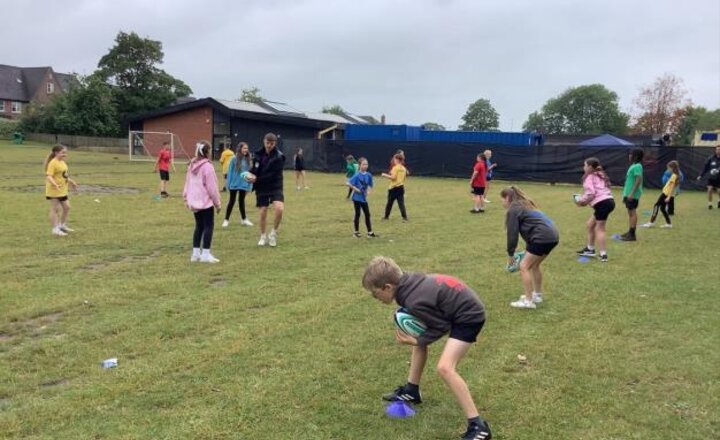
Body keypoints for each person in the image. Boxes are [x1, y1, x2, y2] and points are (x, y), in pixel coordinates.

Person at [362, 256, 491, 440]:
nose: (375, 297)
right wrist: (419, 340)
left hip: (468, 316)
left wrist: (417, 340)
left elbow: (441, 326)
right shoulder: (409, 285)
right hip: (460, 308)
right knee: (420, 342)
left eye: (375, 293)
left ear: (388, 287)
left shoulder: (414, 300)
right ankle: (411, 391)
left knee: (445, 368)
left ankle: (479, 427)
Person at [501, 186, 559, 309]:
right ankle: (537, 295)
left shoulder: (513, 209)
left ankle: (528, 301)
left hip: (542, 237)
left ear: (507, 198)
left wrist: (510, 254)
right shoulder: (526, 205)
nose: (502, 202)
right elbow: (532, 228)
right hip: (552, 236)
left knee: (524, 266)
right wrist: (527, 249)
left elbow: (512, 234)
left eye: (502, 199)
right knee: (535, 265)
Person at [183, 141, 222, 263]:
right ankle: (205, 253)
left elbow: (187, 183)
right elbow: (212, 188)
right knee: (208, 226)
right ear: (206, 152)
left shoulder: (191, 165)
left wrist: (186, 197)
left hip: (194, 201)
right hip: (205, 202)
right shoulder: (207, 167)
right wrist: (217, 203)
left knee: (199, 226)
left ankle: (195, 254)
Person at [575, 157, 615, 263]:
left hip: (603, 203)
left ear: (589, 167)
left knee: (600, 229)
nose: (583, 167)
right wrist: (583, 199)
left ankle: (603, 254)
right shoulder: (601, 175)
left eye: (585, 165)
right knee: (590, 224)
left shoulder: (589, 177)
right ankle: (590, 249)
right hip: (609, 201)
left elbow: (591, 194)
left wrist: (582, 202)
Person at [252, 132, 285, 247]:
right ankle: (263, 235)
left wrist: (256, 179)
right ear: (264, 142)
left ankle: (273, 233)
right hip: (262, 187)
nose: (269, 145)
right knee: (263, 212)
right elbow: (254, 170)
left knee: (279, 209)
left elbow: (272, 175)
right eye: (267, 143)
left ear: (275, 143)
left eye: (272, 143)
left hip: (275, 185)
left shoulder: (279, 157)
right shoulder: (257, 154)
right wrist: (249, 176)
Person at [44, 144, 77, 236]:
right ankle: (55, 229)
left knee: (67, 207)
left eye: (65, 152)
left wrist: (71, 182)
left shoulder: (62, 162)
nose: (65, 154)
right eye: (63, 153)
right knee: (55, 209)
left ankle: (62, 225)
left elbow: (64, 175)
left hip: (62, 189)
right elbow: (49, 176)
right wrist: (55, 184)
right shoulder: (53, 163)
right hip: (54, 190)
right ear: (56, 153)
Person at [222, 142, 254, 228]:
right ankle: (226, 220)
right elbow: (230, 172)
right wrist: (228, 184)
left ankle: (244, 220)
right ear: (240, 149)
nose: (246, 150)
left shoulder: (248, 159)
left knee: (241, 202)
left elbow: (249, 174)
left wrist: (250, 186)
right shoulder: (234, 159)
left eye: (247, 148)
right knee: (231, 201)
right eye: (244, 148)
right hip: (234, 184)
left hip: (243, 185)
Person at [641, 160, 681, 229]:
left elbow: (672, 187)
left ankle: (651, 222)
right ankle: (669, 224)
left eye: (668, 168)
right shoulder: (675, 175)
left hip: (665, 194)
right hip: (665, 193)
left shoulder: (674, 176)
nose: (668, 170)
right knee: (662, 208)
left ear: (672, 168)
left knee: (656, 205)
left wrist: (668, 197)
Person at [346, 157, 377, 238]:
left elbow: (370, 184)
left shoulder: (368, 175)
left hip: (363, 198)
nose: (365, 166)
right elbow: (348, 183)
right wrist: (356, 189)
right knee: (358, 214)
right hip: (356, 198)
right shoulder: (356, 175)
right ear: (360, 165)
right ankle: (356, 232)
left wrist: (369, 191)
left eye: (366, 164)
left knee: (367, 214)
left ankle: (370, 233)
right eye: (363, 164)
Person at [619, 148, 644, 241]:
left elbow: (638, 180)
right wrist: (625, 194)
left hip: (632, 194)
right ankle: (630, 232)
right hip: (628, 193)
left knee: (632, 213)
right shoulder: (634, 165)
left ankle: (632, 235)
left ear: (636, 156)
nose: (629, 156)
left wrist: (631, 193)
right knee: (630, 213)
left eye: (631, 154)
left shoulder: (637, 166)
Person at [381, 154, 409, 221]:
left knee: (389, 203)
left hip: (393, 188)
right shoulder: (404, 168)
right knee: (401, 204)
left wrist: (385, 175)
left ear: (397, 159)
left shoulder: (395, 168)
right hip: (401, 187)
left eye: (394, 159)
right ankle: (405, 217)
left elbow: (393, 178)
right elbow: (404, 178)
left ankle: (386, 216)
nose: (394, 160)